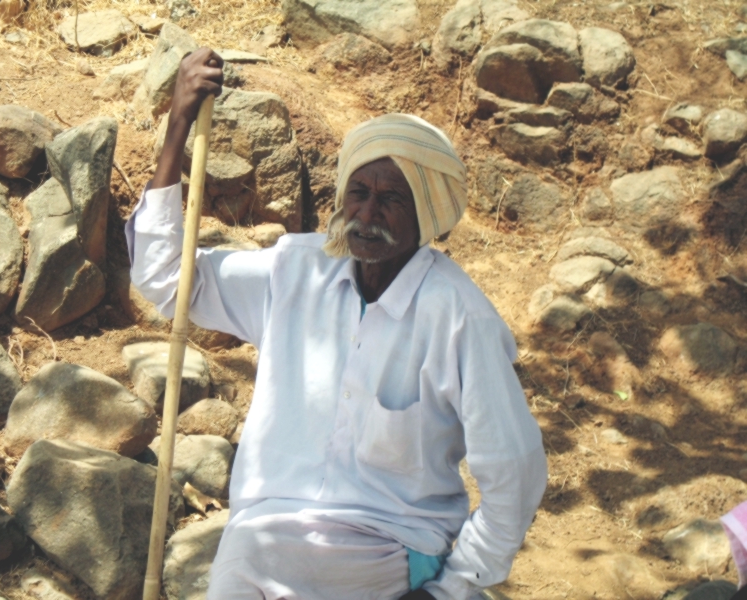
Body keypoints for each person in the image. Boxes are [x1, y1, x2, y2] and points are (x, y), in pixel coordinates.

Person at [126, 48, 548, 600]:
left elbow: (515, 471)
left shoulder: (458, 317)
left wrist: (456, 585)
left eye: (392, 199)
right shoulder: (295, 270)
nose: (368, 215)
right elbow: (164, 281)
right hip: (264, 532)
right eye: (360, 193)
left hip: (392, 542)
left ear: (427, 215)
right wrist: (179, 122)